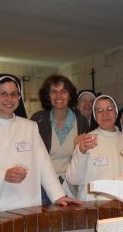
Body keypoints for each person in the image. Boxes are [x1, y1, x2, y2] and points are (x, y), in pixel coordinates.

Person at [0, 74, 80, 222]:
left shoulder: (30, 127)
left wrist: (58, 195)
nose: (9, 99)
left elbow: (43, 164)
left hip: (24, 203)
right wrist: (2, 175)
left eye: (14, 94)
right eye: (3, 93)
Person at [66, 95, 123, 201]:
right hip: (93, 207)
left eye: (110, 109)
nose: (105, 114)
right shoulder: (87, 141)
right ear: (95, 116)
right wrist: (81, 151)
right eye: (100, 110)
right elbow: (73, 179)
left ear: (116, 112)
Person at [31, 74, 90, 202]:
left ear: (70, 95)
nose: (58, 96)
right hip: (43, 185)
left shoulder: (81, 121)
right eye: (54, 92)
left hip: (71, 185)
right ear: (48, 95)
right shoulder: (38, 120)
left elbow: (84, 156)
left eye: (63, 91)